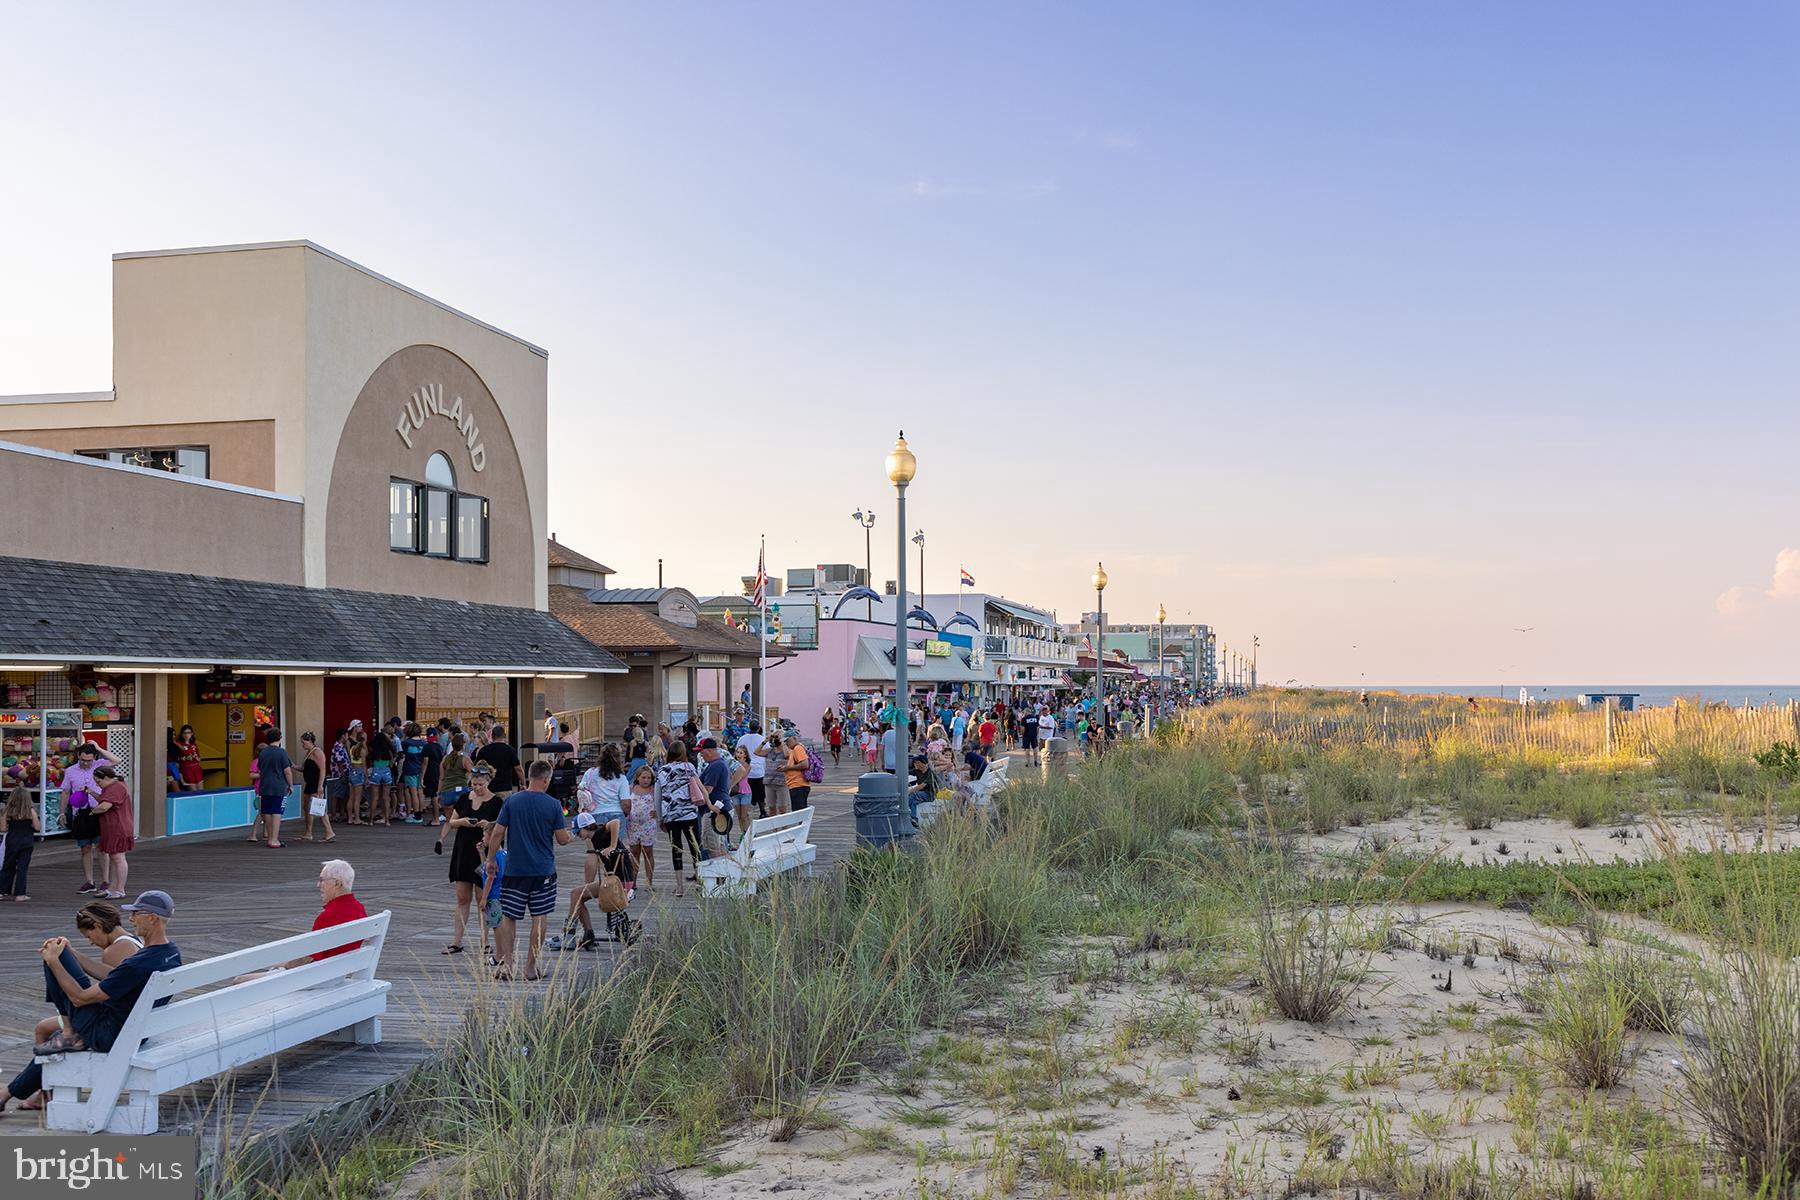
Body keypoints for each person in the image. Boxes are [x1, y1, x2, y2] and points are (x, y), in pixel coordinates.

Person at [0, 890, 181, 1115]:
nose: (131, 919)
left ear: (152, 918)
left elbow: (79, 998)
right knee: (60, 1035)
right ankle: (7, 1093)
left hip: (109, 1034)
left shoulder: (138, 963)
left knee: (51, 954)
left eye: (136, 914)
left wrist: (54, 961)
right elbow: (113, 978)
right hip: (137, 1029)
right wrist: (71, 954)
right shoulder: (171, 953)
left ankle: (67, 1034)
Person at [483, 759, 572, 981]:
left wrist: (491, 859)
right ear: (545, 779)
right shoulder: (552, 805)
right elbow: (562, 840)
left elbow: (497, 833)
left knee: (509, 916)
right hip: (543, 870)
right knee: (539, 916)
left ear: (530, 776)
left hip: (515, 869)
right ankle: (531, 967)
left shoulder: (512, 801)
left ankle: (507, 964)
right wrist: (570, 835)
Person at [549, 812, 637, 950]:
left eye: (579, 831)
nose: (578, 835)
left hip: (620, 881)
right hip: (617, 880)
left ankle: (569, 936)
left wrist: (613, 845)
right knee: (578, 895)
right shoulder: (594, 838)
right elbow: (568, 840)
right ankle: (587, 934)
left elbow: (615, 822)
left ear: (586, 827)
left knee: (575, 894)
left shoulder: (601, 833)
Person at [443, 764, 500, 957]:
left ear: (488, 782)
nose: (476, 788)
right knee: (461, 898)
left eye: (480, 784)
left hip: (483, 851)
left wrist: (487, 825)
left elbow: (501, 829)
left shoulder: (496, 802)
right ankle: (456, 941)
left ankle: (486, 942)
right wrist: (463, 822)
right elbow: (451, 822)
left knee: (481, 899)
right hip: (463, 849)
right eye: (474, 784)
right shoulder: (464, 798)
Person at [63, 742, 117, 895]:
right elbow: (66, 792)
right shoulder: (70, 771)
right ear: (78, 756)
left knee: (101, 847)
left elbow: (116, 760)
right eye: (83, 759)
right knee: (85, 848)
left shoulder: (99, 765)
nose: (86, 762)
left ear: (94, 758)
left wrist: (98, 748)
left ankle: (105, 880)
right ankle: (89, 881)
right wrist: (61, 812)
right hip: (80, 811)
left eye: (89, 760)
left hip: (99, 810)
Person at [655, 740, 704, 898]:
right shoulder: (689, 767)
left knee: (676, 848)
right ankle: (699, 881)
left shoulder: (662, 770)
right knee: (694, 846)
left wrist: (660, 818)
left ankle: (679, 887)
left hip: (671, 815)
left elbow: (658, 795)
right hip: (689, 813)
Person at [88, 765, 134, 899]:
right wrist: (91, 792)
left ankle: (120, 889)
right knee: (114, 858)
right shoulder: (112, 787)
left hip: (118, 827)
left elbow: (104, 806)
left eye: (99, 781)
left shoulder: (116, 788)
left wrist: (92, 812)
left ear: (107, 777)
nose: (98, 784)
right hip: (112, 827)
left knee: (118, 858)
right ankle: (112, 888)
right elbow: (104, 799)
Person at [254, 729, 295, 848]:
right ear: (279, 738)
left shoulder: (263, 753)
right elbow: (287, 771)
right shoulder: (282, 753)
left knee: (266, 812)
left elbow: (260, 769)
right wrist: (291, 785)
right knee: (277, 812)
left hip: (265, 786)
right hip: (278, 786)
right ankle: (274, 839)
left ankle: (269, 837)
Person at [1, 783, 41, 901]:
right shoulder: (31, 811)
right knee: (22, 868)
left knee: (8, 865)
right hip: (26, 840)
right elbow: (37, 827)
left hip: (12, 839)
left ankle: (2, 890)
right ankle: (20, 894)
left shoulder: (7, 811)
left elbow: (3, 828)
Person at [435, 731, 472, 854]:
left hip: (447, 791)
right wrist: (467, 780)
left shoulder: (445, 759)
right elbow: (473, 771)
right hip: (461, 790)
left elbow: (441, 777)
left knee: (448, 821)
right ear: (463, 745)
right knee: (463, 819)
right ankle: (462, 845)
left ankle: (440, 839)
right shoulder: (464, 759)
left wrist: (439, 793)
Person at [696, 738, 734, 857]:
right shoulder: (720, 763)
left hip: (714, 810)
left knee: (712, 845)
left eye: (702, 752)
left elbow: (707, 790)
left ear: (710, 750)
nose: (701, 756)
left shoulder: (715, 766)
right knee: (721, 844)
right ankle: (726, 874)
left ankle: (718, 874)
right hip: (723, 806)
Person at [625, 763, 658, 892]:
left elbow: (661, 802)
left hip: (648, 825)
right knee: (634, 852)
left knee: (648, 852)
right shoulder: (630, 788)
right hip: (633, 825)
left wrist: (658, 813)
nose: (646, 780)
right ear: (638, 777)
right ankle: (633, 881)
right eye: (643, 777)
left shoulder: (654, 790)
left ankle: (649, 882)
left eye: (648, 778)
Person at [300, 731, 334, 843]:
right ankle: (308, 832)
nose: (302, 745)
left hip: (316, 783)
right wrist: (292, 766)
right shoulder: (309, 753)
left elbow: (322, 770)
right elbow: (303, 768)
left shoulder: (317, 752)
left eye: (303, 742)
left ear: (309, 741)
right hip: (309, 783)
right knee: (306, 807)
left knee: (318, 808)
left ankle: (329, 831)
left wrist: (320, 786)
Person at [473, 724, 521, 795]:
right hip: (504, 788)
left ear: (492, 736)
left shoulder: (484, 750)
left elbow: (476, 768)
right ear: (504, 736)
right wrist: (523, 783)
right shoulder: (509, 750)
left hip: (488, 788)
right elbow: (518, 769)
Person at [735, 721, 768, 818]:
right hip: (759, 769)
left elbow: (737, 751)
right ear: (759, 728)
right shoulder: (762, 739)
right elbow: (767, 752)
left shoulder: (742, 738)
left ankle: (746, 812)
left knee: (746, 791)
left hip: (745, 768)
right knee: (760, 791)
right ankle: (762, 811)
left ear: (749, 727)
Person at [365, 725, 396, 825]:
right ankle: (387, 820)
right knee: (386, 797)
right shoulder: (388, 747)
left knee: (375, 797)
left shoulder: (374, 747)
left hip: (376, 770)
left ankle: (370, 821)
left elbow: (370, 758)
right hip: (386, 770)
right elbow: (392, 760)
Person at [399, 722, 427, 823]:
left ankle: (416, 815)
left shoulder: (406, 743)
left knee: (413, 792)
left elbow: (401, 751)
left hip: (410, 769)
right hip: (420, 769)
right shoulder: (424, 744)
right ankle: (420, 812)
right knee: (420, 792)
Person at [729, 744, 755, 845]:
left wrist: (737, 765)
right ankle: (743, 834)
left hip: (745, 792)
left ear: (745, 755)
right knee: (739, 816)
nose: (738, 754)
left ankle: (748, 834)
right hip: (735, 792)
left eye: (741, 753)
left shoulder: (747, 766)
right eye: (737, 752)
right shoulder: (732, 764)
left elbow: (741, 775)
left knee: (744, 816)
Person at [762, 731, 791, 816]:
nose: (776, 740)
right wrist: (765, 741)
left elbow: (787, 756)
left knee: (782, 808)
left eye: (777, 738)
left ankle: (784, 828)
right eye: (775, 738)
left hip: (782, 783)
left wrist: (782, 741)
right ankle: (775, 828)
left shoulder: (786, 749)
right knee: (771, 808)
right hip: (769, 782)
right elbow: (756, 752)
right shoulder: (770, 750)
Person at [346, 721, 369, 824]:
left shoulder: (352, 748)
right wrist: (366, 777)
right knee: (357, 798)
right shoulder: (362, 750)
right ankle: (357, 818)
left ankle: (350, 818)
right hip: (359, 772)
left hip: (352, 771)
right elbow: (364, 765)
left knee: (351, 797)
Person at [785, 731, 812, 810]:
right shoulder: (794, 749)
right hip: (796, 785)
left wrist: (788, 768)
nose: (786, 743)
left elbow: (805, 764)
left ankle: (802, 823)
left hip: (799, 785)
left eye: (787, 740)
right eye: (785, 741)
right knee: (799, 811)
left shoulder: (797, 748)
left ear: (794, 738)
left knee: (799, 812)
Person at [174, 724, 205, 789]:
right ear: (181, 734)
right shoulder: (178, 744)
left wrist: (197, 758)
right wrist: (185, 758)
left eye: (188, 733)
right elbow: (175, 758)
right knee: (193, 793)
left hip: (196, 769)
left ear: (192, 733)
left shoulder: (193, 744)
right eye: (184, 733)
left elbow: (199, 758)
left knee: (201, 792)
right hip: (187, 770)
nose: (186, 735)